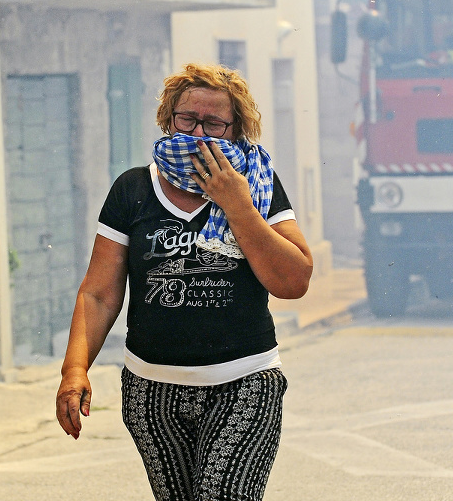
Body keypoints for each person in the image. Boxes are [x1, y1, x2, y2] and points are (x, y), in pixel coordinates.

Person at [56, 63, 313, 501]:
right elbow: (99, 294)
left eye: (213, 123)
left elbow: (293, 281)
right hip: (151, 392)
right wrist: (74, 369)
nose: (197, 133)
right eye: (187, 119)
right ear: (168, 119)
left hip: (244, 383)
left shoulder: (259, 184)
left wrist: (238, 206)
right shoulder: (133, 189)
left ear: (236, 129)